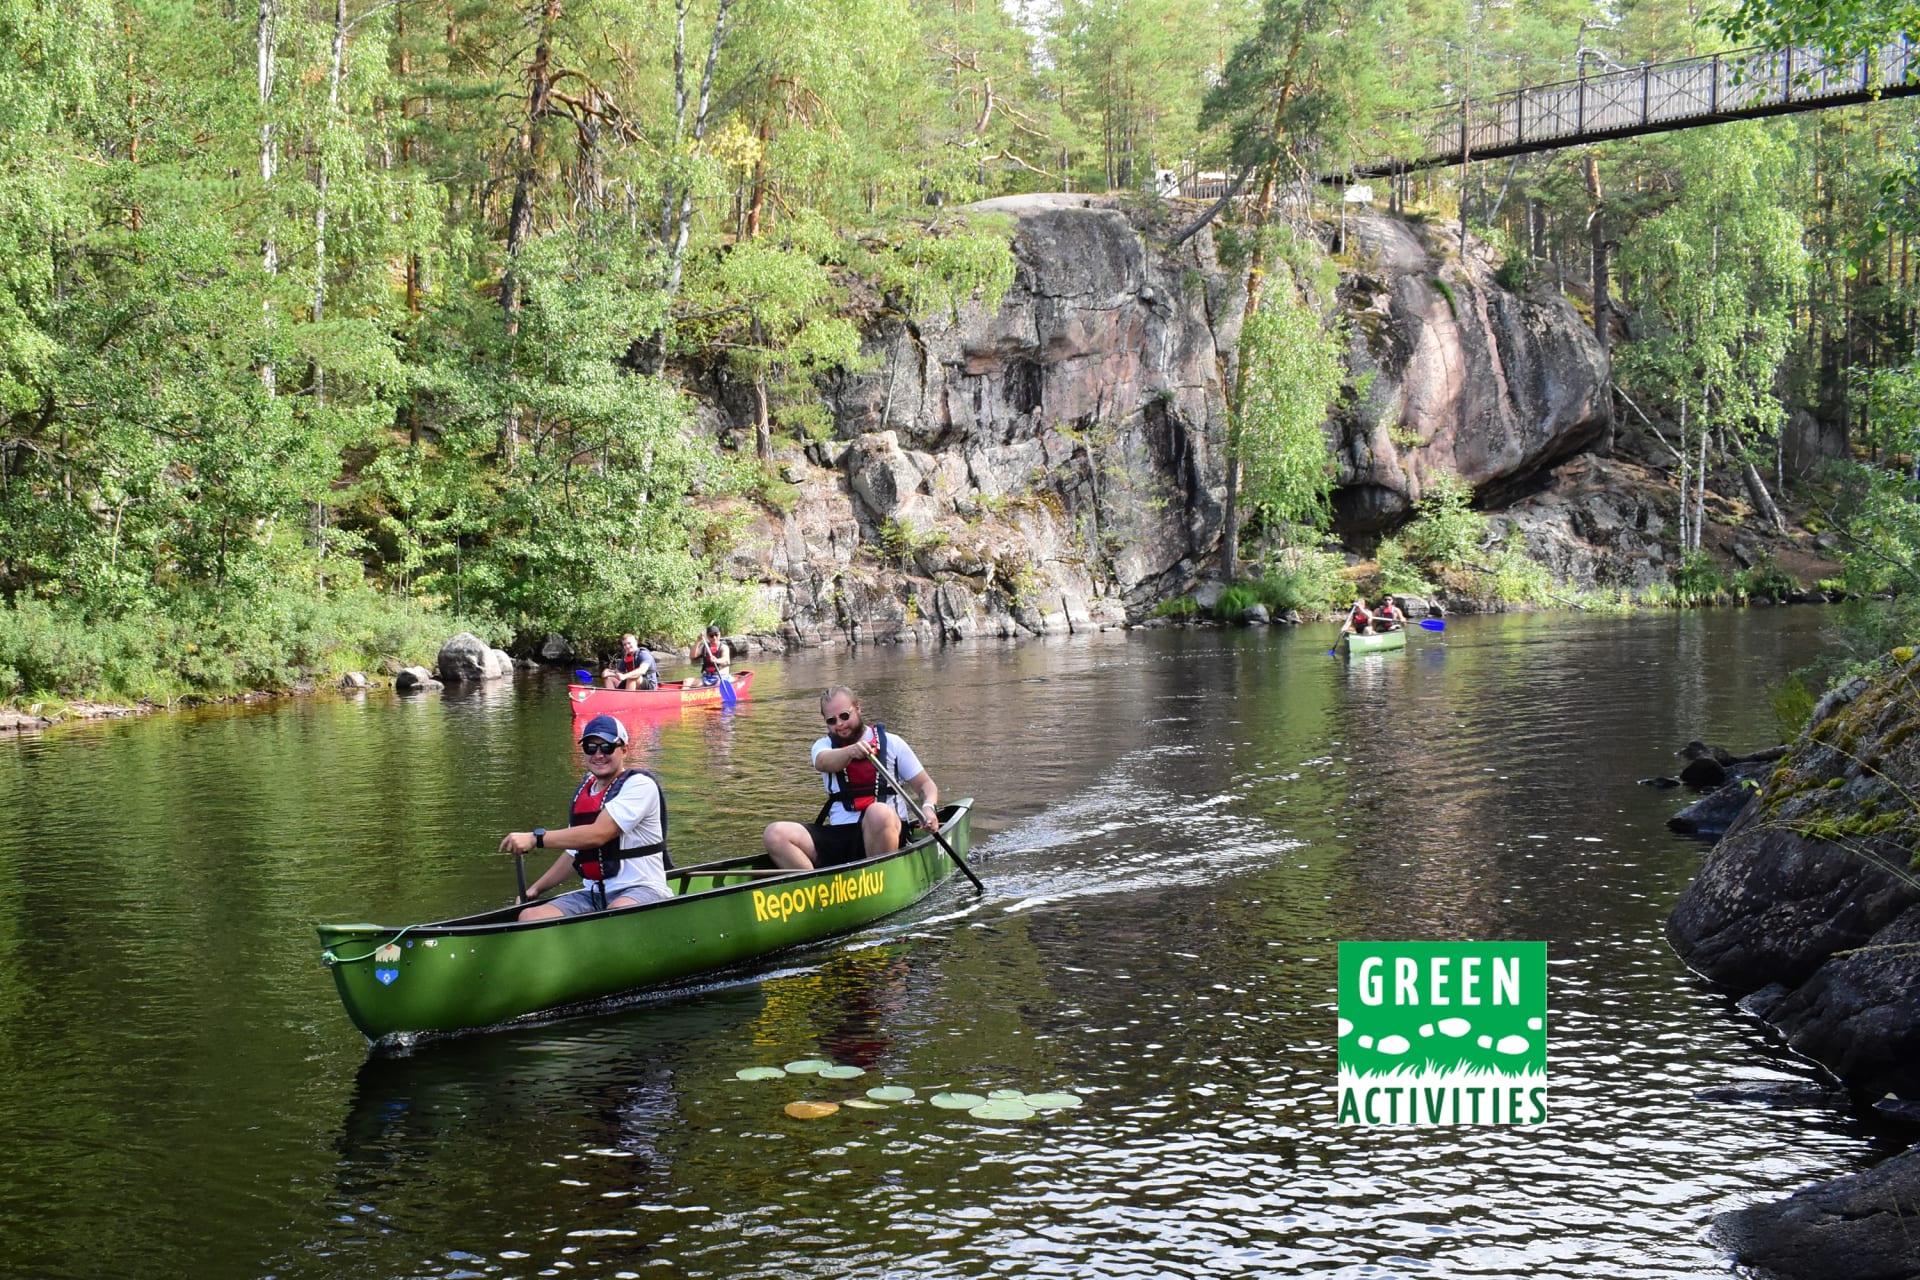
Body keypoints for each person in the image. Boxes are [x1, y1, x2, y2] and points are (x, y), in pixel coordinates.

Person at [500, 714, 672, 920]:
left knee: (618, 913)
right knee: (528, 916)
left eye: (607, 747)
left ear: (624, 750)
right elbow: (575, 851)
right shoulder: (586, 790)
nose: (598, 754)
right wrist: (535, 890)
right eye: (591, 748)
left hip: (641, 889)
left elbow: (597, 835)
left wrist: (535, 838)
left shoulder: (640, 785)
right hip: (594, 895)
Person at [762, 685, 940, 870]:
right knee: (775, 833)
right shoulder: (823, 746)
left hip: (886, 833)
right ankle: (817, 888)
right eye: (831, 720)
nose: (839, 724)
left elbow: (926, 785)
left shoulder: (893, 743)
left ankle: (881, 877)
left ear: (858, 708)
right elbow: (823, 762)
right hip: (841, 835)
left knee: (878, 812)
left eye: (844, 716)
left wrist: (928, 809)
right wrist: (850, 751)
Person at [683, 624, 731, 689]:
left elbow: (725, 658)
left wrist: (717, 660)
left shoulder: (724, 647)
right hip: (707, 677)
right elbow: (692, 656)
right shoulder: (705, 647)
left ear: (719, 634)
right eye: (711, 635)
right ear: (708, 637)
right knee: (687, 681)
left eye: (716, 635)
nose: (714, 637)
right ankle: (682, 697)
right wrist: (698, 641)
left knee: (718, 685)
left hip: (721, 677)